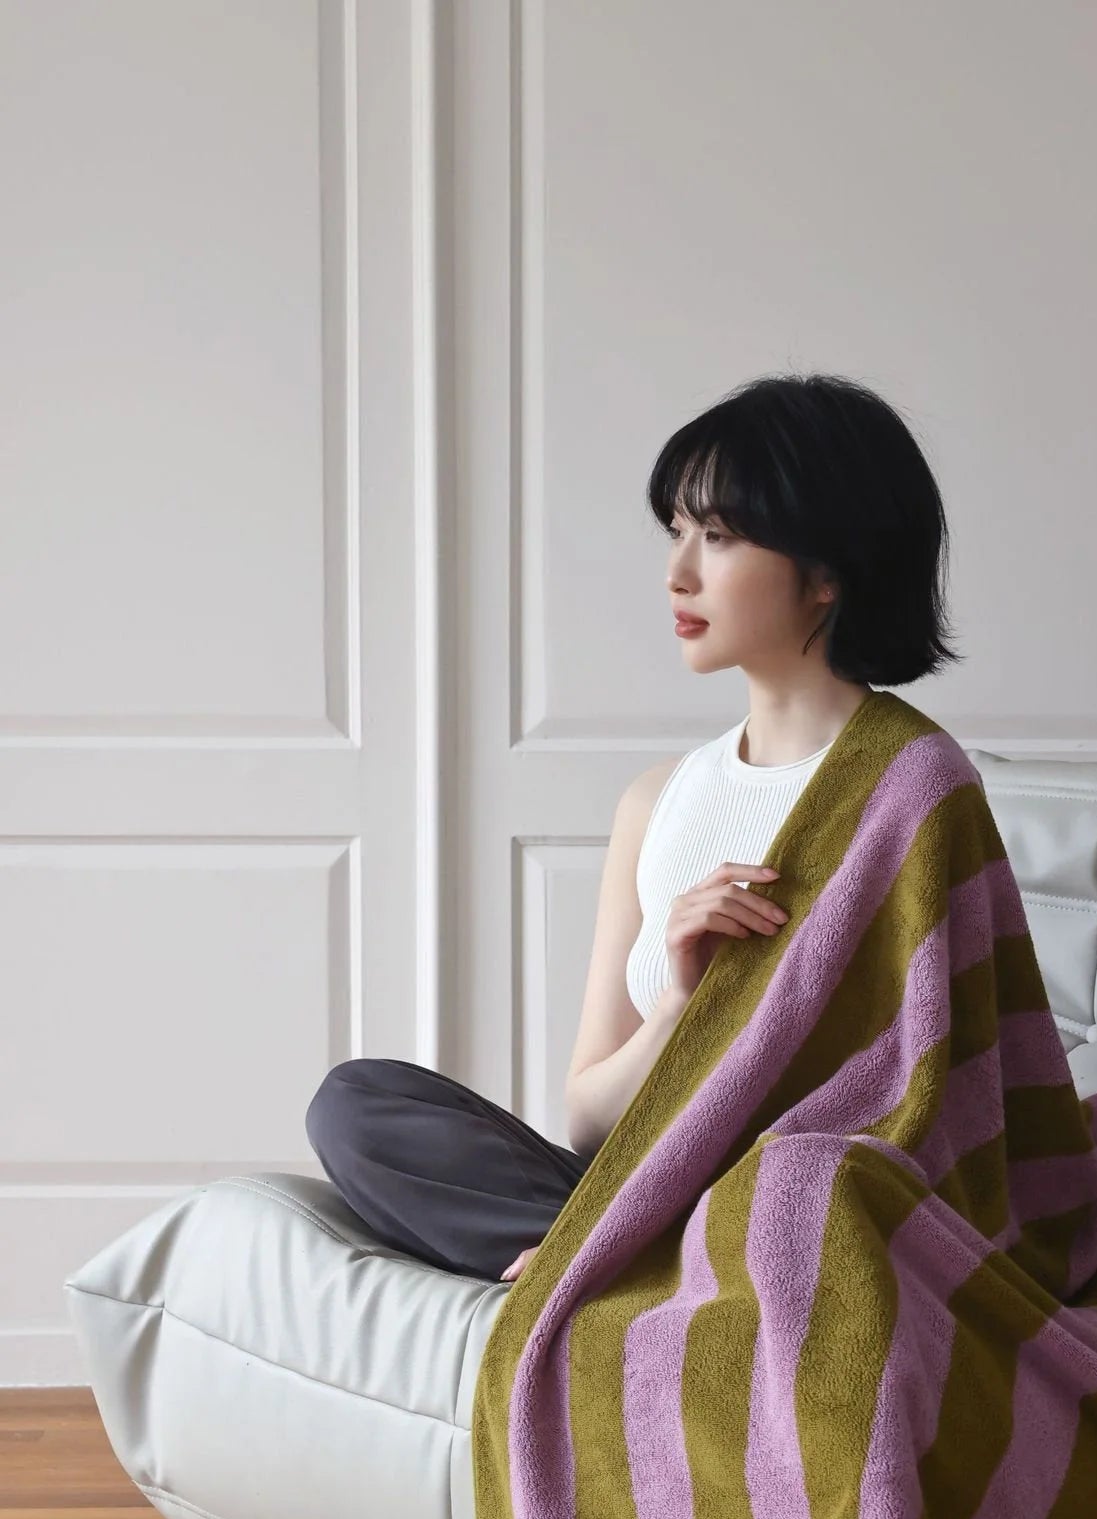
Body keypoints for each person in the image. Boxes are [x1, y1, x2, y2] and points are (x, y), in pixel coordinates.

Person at [304, 371, 962, 1283]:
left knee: (809, 1196)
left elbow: (933, 1099)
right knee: (356, 1105)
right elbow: (587, 1121)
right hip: (639, 1182)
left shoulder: (912, 784)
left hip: (805, 1207)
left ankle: (628, 1263)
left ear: (825, 571)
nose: (677, 571)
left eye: (720, 537)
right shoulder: (658, 802)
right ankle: (633, 1259)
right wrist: (680, 1012)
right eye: (678, 532)